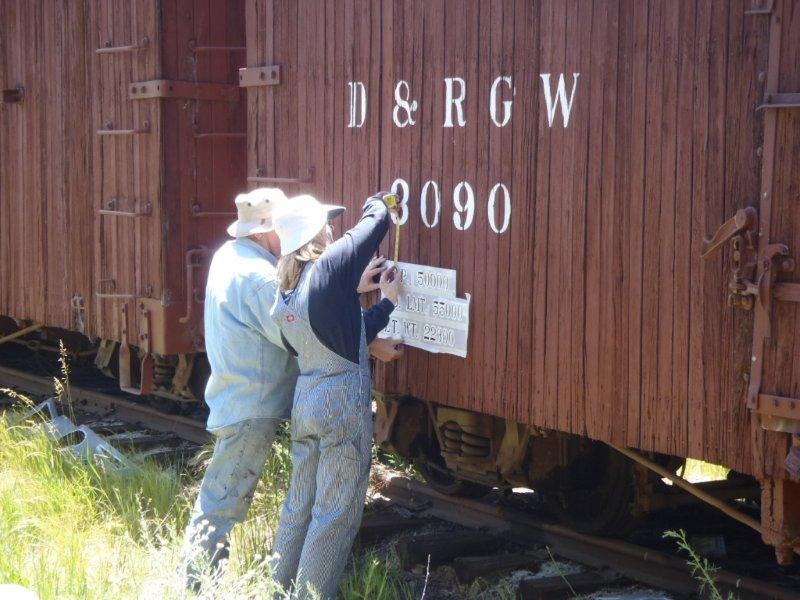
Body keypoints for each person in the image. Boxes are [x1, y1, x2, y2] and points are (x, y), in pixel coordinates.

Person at [269, 193, 400, 598]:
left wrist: (385, 305)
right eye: (326, 223)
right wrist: (382, 200)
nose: (331, 228)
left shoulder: (285, 292)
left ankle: (276, 589)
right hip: (340, 403)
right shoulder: (329, 267)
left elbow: (339, 333)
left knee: (300, 505)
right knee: (335, 513)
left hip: (307, 400)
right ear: (314, 231)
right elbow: (374, 223)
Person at [182, 187, 299, 588]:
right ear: (266, 231)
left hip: (234, 395)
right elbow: (297, 332)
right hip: (253, 405)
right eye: (282, 227)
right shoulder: (258, 276)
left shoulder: (228, 256)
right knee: (221, 505)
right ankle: (198, 587)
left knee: (220, 500)